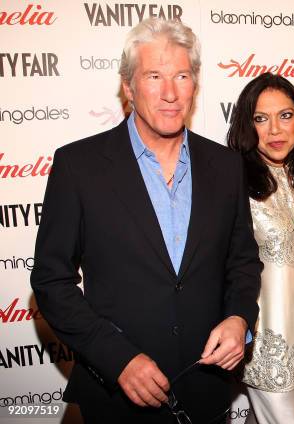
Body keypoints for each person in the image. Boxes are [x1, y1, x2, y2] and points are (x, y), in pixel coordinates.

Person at [30, 18, 262, 424]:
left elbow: (242, 261)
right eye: (154, 76)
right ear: (128, 86)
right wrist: (117, 359)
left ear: (195, 83)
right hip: (115, 398)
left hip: (206, 393)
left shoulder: (226, 166)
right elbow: (51, 282)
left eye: (182, 76)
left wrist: (238, 317)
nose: (170, 93)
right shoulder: (79, 166)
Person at [227, 73, 294, 424]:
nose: (274, 130)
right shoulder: (232, 182)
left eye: (285, 115)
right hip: (264, 346)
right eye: (261, 118)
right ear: (246, 124)